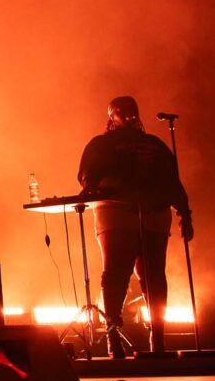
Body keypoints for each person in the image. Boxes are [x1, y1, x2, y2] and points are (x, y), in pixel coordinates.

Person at [77, 96, 193, 358]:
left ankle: (158, 336)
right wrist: (94, 186)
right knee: (117, 274)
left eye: (132, 110)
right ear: (112, 116)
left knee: (154, 275)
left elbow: (172, 179)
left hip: (154, 212)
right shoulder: (102, 144)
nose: (129, 115)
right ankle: (113, 335)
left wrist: (185, 212)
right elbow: (86, 174)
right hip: (116, 211)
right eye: (122, 111)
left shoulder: (154, 145)